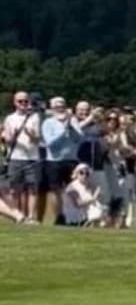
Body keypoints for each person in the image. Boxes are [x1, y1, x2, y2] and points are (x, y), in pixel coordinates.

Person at [41, 96, 83, 225]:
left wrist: (71, 128)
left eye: (63, 106)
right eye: (57, 107)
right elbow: (50, 143)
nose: (60, 109)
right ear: (52, 108)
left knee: (74, 189)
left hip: (71, 160)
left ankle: (76, 217)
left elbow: (79, 139)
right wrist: (63, 131)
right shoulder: (48, 123)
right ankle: (59, 216)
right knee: (55, 190)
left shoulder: (73, 121)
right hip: (54, 161)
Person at [2, 91, 43, 223]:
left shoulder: (34, 117)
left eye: (26, 101)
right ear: (15, 103)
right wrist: (12, 136)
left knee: (32, 188)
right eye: (20, 101)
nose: (23, 104)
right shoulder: (10, 118)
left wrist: (30, 135)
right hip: (16, 157)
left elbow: (37, 139)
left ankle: (31, 217)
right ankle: (18, 216)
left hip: (32, 157)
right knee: (15, 189)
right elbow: (8, 140)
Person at [62, 163, 105, 227]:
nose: (84, 175)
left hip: (84, 214)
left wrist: (98, 195)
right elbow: (78, 204)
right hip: (72, 216)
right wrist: (93, 198)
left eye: (87, 173)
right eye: (81, 173)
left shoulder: (90, 186)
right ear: (76, 174)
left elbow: (98, 200)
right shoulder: (72, 187)